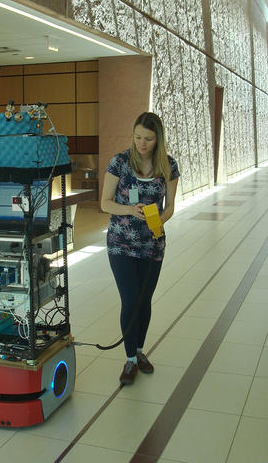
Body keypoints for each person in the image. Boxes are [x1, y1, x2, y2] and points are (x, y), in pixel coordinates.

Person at [101, 112, 179, 385]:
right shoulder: (120, 162)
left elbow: (169, 207)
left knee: (144, 301)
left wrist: (159, 222)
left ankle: (140, 350)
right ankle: (129, 359)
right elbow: (105, 203)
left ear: (158, 139)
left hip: (153, 245)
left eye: (147, 138)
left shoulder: (168, 165)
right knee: (131, 299)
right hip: (121, 243)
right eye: (137, 137)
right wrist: (130, 211)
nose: (141, 143)